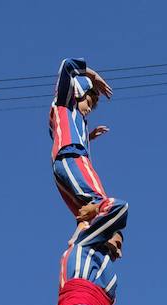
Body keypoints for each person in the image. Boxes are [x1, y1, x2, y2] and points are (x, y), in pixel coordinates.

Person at [49, 58, 115, 220]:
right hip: (71, 157)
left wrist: (89, 136)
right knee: (100, 200)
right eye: (90, 102)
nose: (90, 109)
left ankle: (81, 239)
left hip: (64, 163)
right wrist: (93, 76)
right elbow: (67, 65)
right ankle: (109, 225)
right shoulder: (64, 103)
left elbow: (68, 134)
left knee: (85, 213)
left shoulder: (77, 120)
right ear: (79, 93)